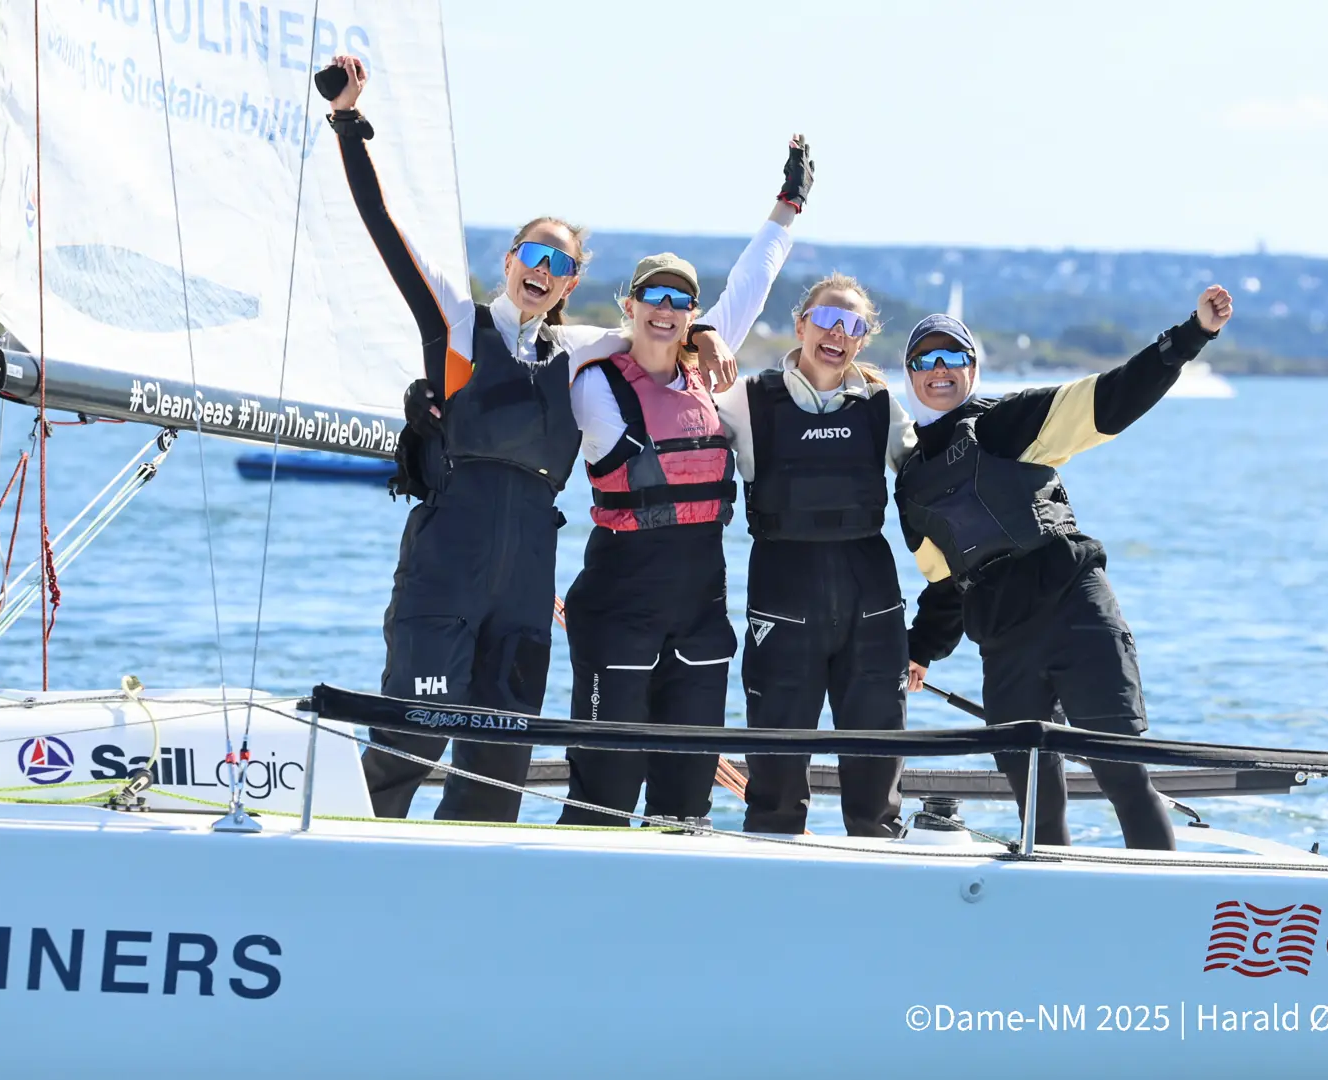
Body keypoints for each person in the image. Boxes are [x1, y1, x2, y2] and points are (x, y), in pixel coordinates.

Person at [324, 54, 744, 823]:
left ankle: (470, 899)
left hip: (526, 575)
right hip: (448, 559)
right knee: (415, 736)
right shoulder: (458, 323)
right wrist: (350, 125)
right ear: (510, 259)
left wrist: (705, 328)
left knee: (498, 757)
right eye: (535, 254)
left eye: (562, 263)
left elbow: (657, 326)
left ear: (572, 282)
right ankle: (351, 849)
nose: (544, 271)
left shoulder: (579, 349)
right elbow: (386, 232)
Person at [897, 286, 1234, 849]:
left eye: (952, 357)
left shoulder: (1007, 423)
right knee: (1035, 799)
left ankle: (1164, 908)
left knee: (1123, 775)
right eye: (925, 360)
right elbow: (945, 586)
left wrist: (1191, 335)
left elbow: (1113, 397)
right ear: (910, 375)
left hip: (1074, 610)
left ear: (972, 368)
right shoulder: (909, 484)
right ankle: (1056, 917)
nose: (939, 370)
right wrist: (919, 649)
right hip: (1004, 641)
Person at [555, 151, 813, 828]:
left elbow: (751, 286)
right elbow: (554, 345)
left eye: (682, 303)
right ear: (630, 304)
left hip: (700, 610)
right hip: (619, 607)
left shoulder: (709, 371)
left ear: (694, 312)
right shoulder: (594, 382)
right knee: (603, 795)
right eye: (654, 300)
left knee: (686, 802)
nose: (666, 312)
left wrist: (786, 209)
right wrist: (678, 335)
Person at [713, 274, 916, 837]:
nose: (837, 333)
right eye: (827, 319)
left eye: (853, 326)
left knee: (876, 778)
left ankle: (881, 873)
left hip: (870, 598)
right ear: (801, 324)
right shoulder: (748, 401)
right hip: (783, 592)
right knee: (775, 777)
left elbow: (935, 487)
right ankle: (774, 875)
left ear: (863, 339)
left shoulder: (881, 407)